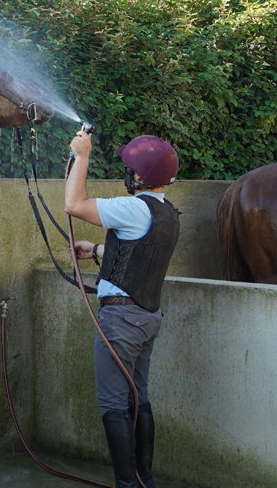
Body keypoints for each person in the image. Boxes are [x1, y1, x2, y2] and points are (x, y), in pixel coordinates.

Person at [65, 131, 181, 488]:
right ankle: (145, 481)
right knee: (138, 399)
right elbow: (139, 252)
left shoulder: (132, 208)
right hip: (147, 317)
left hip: (121, 320)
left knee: (113, 404)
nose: (128, 172)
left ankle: (127, 485)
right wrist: (97, 250)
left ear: (140, 176)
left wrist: (82, 156)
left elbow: (74, 205)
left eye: (132, 167)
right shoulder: (167, 212)